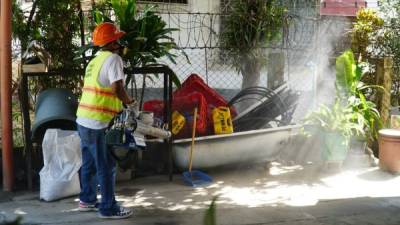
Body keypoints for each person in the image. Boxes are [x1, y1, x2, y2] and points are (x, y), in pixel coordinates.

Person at [76, 22, 135, 219]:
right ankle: (108, 208)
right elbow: (117, 88)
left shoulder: (95, 60)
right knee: (106, 165)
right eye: (117, 38)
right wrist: (129, 103)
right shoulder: (114, 59)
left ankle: (87, 199)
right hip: (97, 123)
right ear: (113, 41)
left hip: (83, 119)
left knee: (89, 164)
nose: (119, 42)